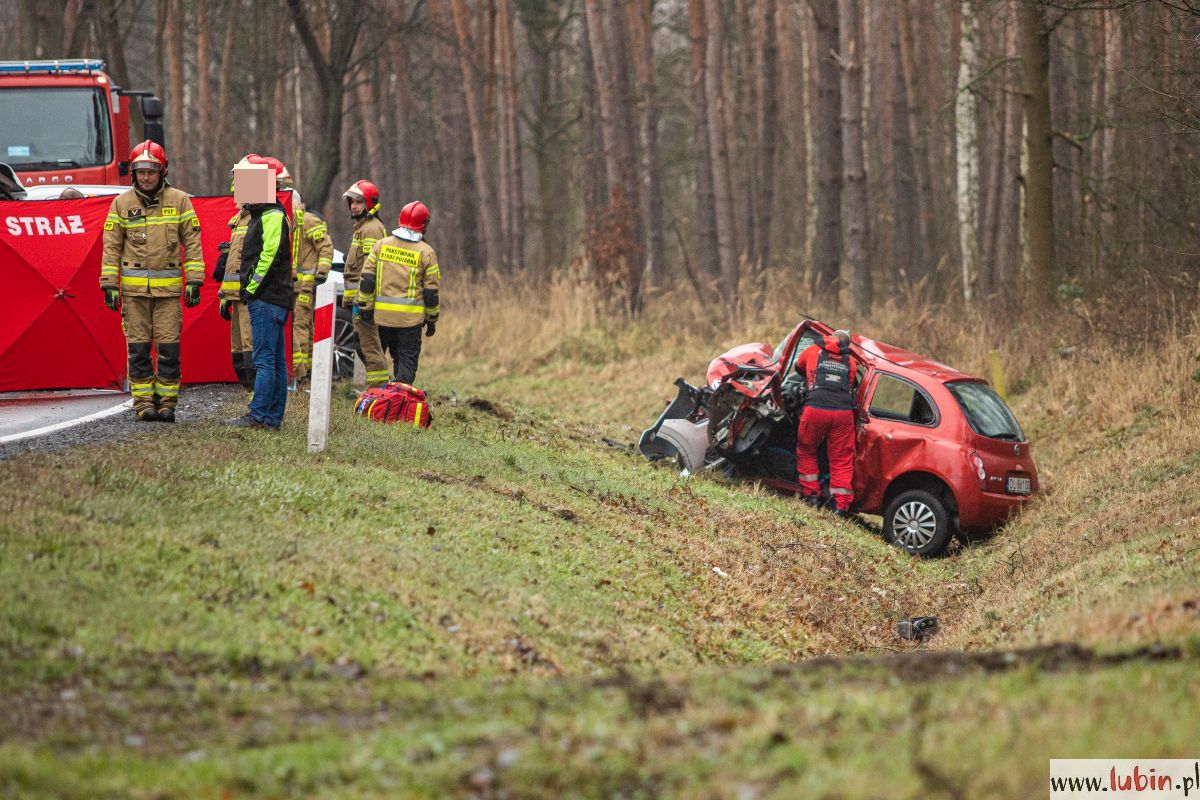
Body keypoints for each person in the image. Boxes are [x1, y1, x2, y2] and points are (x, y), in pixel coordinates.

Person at [99, 140, 203, 422]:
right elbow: (111, 247)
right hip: (134, 295)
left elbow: (192, 242)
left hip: (169, 294)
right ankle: (143, 402)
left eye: (152, 172)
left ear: (162, 171)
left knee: (169, 350)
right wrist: (109, 283)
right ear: (133, 173)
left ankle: (168, 402)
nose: (146, 177)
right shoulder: (121, 204)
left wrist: (195, 280)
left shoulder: (180, 200)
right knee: (139, 349)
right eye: (141, 172)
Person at [225, 181, 292, 429]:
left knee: (264, 359)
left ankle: (259, 415)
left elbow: (269, 254)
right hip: (273, 296)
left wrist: (251, 288)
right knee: (274, 360)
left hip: (267, 297)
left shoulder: (271, 215)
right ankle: (272, 418)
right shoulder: (266, 213)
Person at [357, 201, 440, 385]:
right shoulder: (426, 252)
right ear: (424, 225)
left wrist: (365, 308)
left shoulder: (381, 245)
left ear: (399, 220)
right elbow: (431, 292)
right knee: (406, 360)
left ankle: (378, 394)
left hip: (381, 318)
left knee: (377, 356)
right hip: (410, 322)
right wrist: (432, 318)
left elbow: (367, 279)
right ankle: (400, 399)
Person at [271, 159, 332, 386]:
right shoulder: (283, 220)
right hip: (289, 283)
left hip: (305, 284)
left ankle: (300, 374)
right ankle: (301, 372)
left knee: (301, 327)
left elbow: (325, 247)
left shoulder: (308, 221)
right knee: (297, 327)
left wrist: (321, 274)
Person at [794, 329, 861, 517]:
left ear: (830, 338)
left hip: (815, 409)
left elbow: (798, 369)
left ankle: (811, 496)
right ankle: (840, 507)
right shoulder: (851, 362)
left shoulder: (812, 350)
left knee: (806, 449)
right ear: (846, 346)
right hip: (842, 414)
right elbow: (852, 384)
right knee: (841, 460)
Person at [340, 180, 390, 387]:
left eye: (359, 202)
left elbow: (371, 271)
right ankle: (378, 388)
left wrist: (365, 304)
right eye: (352, 202)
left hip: (364, 301)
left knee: (369, 346)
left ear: (370, 203)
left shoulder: (371, 230)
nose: (353, 206)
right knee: (361, 344)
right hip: (359, 301)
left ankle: (379, 391)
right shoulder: (363, 228)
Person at [213, 157, 256, 395]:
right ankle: (251, 395)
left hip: (250, 296)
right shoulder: (239, 218)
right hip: (235, 295)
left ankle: (257, 401)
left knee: (251, 349)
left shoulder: (260, 219)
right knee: (239, 351)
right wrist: (224, 296)